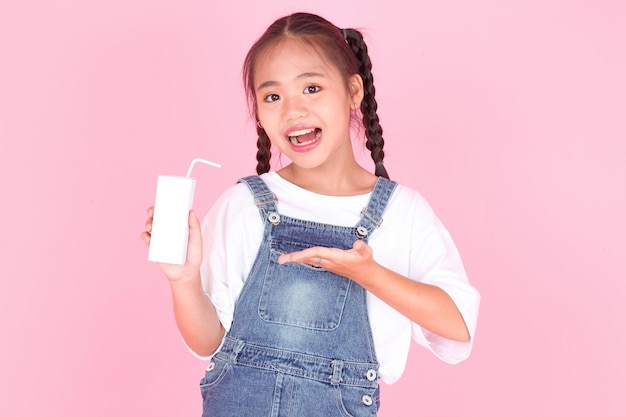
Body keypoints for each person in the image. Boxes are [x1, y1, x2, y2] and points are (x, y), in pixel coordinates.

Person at [142, 12, 479, 417]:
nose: (292, 110)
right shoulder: (244, 204)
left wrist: (368, 274)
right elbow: (207, 342)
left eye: (312, 88)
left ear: (354, 91)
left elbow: (458, 326)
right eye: (272, 96)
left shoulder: (402, 213)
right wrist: (183, 280)